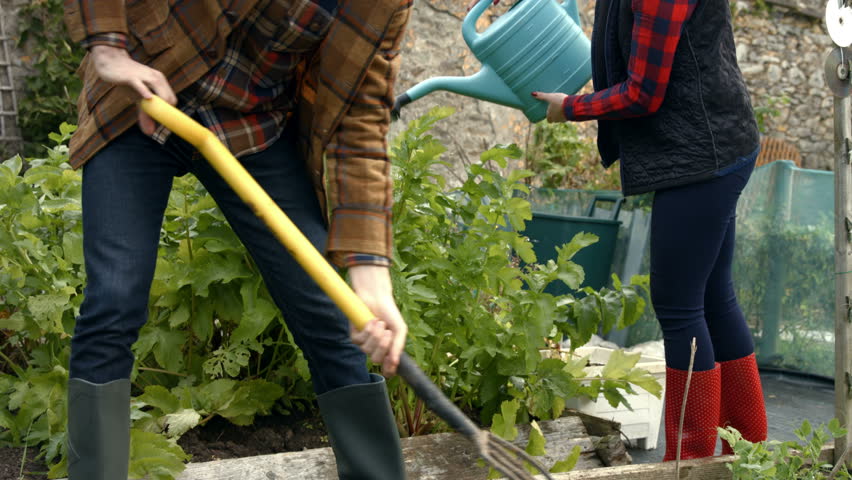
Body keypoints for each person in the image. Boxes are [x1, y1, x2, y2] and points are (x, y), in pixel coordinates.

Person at [62, 1, 412, 478]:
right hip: (143, 85)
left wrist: (371, 278)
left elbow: (361, 118)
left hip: (251, 124)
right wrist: (108, 50)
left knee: (333, 314)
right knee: (115, 297)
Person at [470, 0, 767, 460]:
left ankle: (688, 463)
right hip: (713, 146)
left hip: (702, 157)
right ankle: (749, 452)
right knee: (713, 298)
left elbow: (644, 93)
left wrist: (571, 108)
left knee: (680, 307)